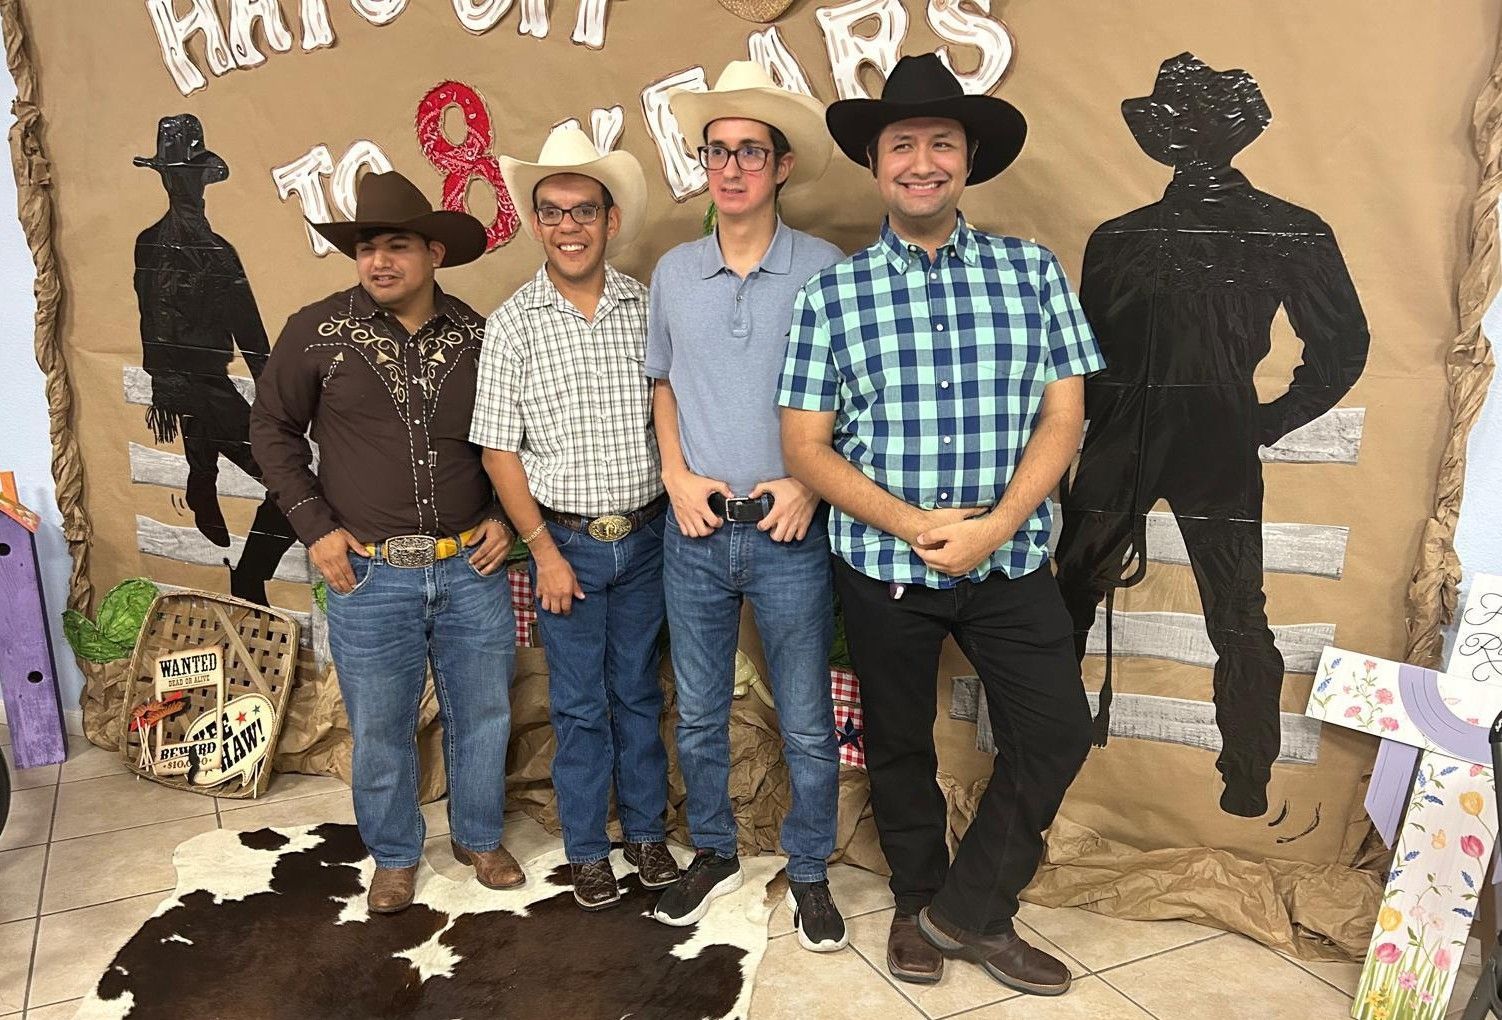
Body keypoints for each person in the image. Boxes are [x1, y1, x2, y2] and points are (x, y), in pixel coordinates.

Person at [778, 53, 1103, 994]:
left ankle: (971, 910)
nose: (922, 161)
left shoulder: (1030, 271)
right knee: (900, 743)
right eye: (903, 145)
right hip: (883, 564)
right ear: (877, 165)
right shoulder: (832, 296)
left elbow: (1065, 416)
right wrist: (917, 524)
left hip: (1010, 560)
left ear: (968, 160)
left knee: (1055, 733)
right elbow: (806, 447)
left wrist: (994, 528)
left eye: (941, 144)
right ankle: (919, 904)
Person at [1053, 53, 1370, 818]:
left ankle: (1245, 772)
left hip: (1187, 433)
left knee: (1226, 612)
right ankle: (1052, 750)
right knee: (1075, 600)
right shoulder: (1123, 239)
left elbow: (1340, 349)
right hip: (1145, 433)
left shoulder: (1281, 231)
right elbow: (1086, 360)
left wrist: (1261, 420)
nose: (1190, 138)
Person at [250, 171, 521, 914]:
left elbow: (512, 437)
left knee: (484, 712)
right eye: (367, 247)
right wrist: (315, 526)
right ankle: (396, 855)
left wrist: (502, 513)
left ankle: (479, 836)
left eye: (396, 245)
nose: (379, 261)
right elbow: (269, 430)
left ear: (434, 251)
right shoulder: (316, 332)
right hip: (367, 570)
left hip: (471, 564)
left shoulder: (478, 336)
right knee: (378, 724)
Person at [646, 61, 848, 952]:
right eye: (716, 151)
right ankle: (716, 853)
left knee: (804, 718)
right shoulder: (674, 272)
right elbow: (661, 382)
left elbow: (855, 392)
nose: (731, 168)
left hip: (788, 532)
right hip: (693, 530)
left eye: (750, 153)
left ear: (783, 166)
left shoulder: (825, 268)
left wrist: (810, 482)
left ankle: (808, 871)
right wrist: (676, 476)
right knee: (696, 711)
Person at [474, 125, 678, 911]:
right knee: (580, 702)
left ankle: (648, 834)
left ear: (610, 219)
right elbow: (500, 452)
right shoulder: (514, 323)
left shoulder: (647, 308)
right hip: (565, 543)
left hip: (650, 534)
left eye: (583, 210)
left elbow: (671, 410)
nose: (568, 225)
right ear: (534, 222)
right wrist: (543, 553)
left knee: (637, 691)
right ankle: (590, 847)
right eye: (552, 211)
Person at [133, 113, 298, 606]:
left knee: (289, 480)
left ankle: (201, 475)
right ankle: (247, 577)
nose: (187, 186)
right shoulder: (211, 253)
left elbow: (248, 337)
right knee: (293, 486)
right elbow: (250, 340)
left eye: (187, 176)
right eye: (180, 176)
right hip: (198, 390)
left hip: (192, 391)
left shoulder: (171, 245)